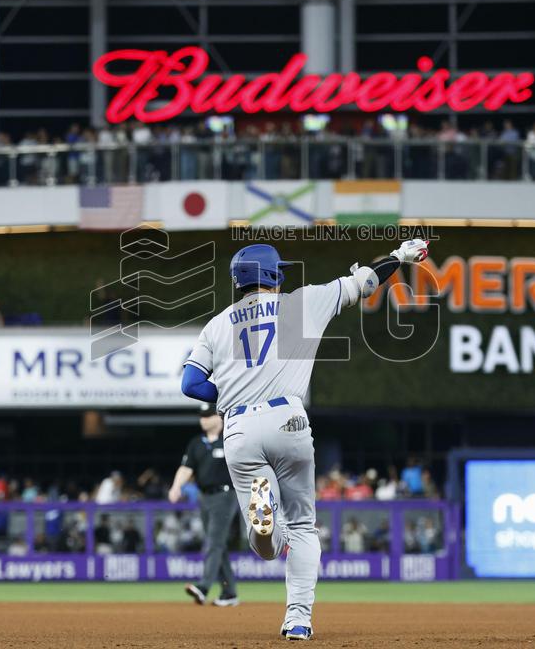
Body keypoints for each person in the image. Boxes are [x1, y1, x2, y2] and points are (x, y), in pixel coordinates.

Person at [181, 239, 429, 640]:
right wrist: (400, 256)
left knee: (266, 545)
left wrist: (226, 394)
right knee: (302, 526)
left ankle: (266, 527)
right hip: (288, 419)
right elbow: (366, 281)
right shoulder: (301, 304)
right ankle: (297, 619)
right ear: (276, 275)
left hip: (239, 428)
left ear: (237, 281)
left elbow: (191, 384)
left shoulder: (218, 324)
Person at [168, 406, 240, 608]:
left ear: (219, 416)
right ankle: (229, 592)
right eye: (201, 417)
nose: (204, 420)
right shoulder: (196, 443)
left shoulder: (231, 438)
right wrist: (176, 486)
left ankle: (204, 587)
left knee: (214, 541)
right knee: (218, 545)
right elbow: (186, 467)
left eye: (208, 415)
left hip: (226, 495)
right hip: (205, 497)